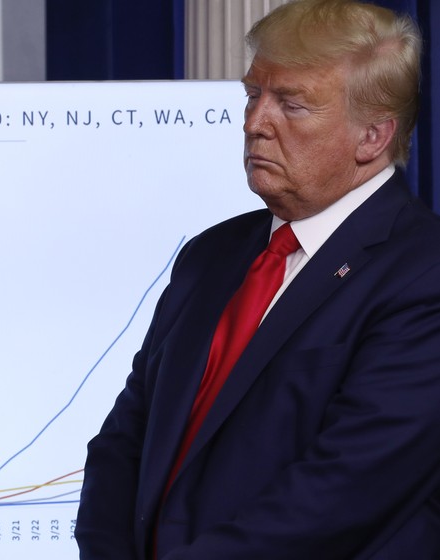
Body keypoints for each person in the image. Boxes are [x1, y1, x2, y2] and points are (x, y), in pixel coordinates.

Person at [75, 0, 440, 558]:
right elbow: (124, 441)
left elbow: (343, 491)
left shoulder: (423, 273)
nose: (253, 123)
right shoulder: (211, 254)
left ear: (372, 136)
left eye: (291, 105)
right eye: (253, 95)